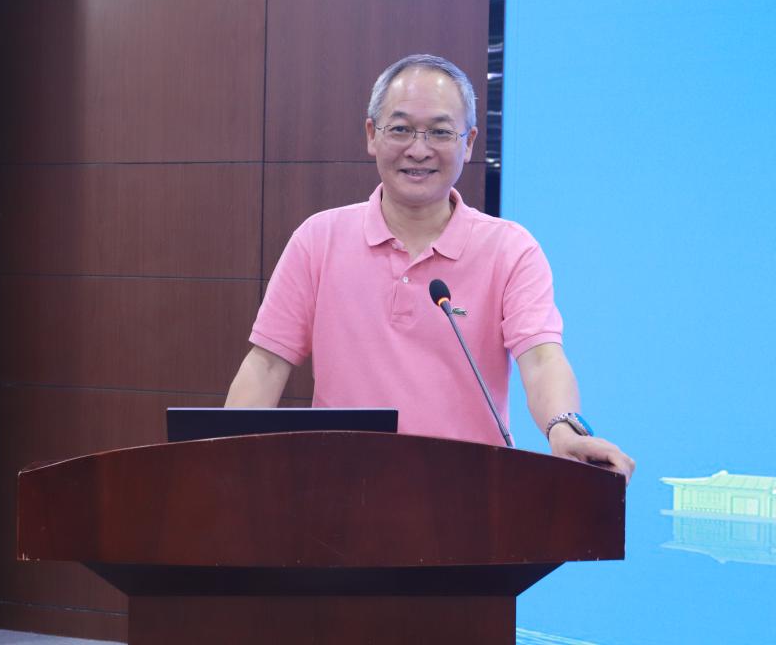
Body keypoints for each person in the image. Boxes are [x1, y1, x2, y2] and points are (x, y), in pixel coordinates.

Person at [225, 54, 634, 482]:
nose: (418, 150)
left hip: (470, 496)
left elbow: (541, 359)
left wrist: (563, 429)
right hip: (340, 494)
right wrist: (221, 460)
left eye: (440, 132)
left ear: (469, 142)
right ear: (372, 135)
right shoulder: (318, 239)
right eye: (400, 129)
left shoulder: (510, 249)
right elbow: (266, 365)